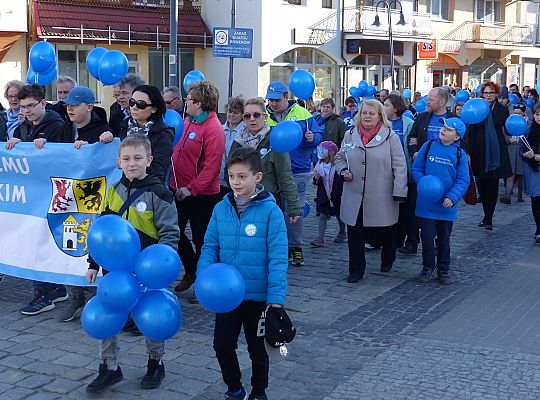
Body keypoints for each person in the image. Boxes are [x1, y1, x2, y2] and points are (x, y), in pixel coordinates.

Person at [85, 134, 179, 394]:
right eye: (126, 158)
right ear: (119, 161)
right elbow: (101, 232)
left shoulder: (160, 193)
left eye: (138, 158)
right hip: (114, 270)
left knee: (152, 316)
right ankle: (109, 367)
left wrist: (162, 266)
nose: (132, 163)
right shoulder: (113, 191)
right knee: (109, 312)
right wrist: (93, 262)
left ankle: (155, 362)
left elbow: (170, 234)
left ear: (149, 160)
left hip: (148, 271)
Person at [198, 146, 288, 400]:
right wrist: (205, 278)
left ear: (257, 177)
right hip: (227, 295)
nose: (235, 182)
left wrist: (276, 297)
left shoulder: (271, 211)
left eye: (241, 176)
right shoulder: (221, 208)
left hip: (258, 296)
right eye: (231, 176)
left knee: (257, 349)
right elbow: (209, 247)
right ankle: (234, 388)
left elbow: (278, 257)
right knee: (222, 344)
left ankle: (259, 391)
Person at [5, 84, 68, 314]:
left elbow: (64, 157)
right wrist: (15, 145)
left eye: (31, 105)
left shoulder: (57, 126)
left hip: (51, 194)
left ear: (43, 102)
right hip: (31, 196)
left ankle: (43, 295)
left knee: (41, 242)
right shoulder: (23, 127)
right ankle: (56, 289)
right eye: (23, 107)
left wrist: (45, 149)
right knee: (35, 241)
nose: (27, 111)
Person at [335, 99, 407, 283]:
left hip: (382, 195)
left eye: (371, 113)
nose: (367, 116)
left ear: (380, 116)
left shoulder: (390, 137)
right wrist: (343, 171)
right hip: (354, 193)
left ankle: (388, 258)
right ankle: (356, 269)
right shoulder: (350, 135)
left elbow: (400, 165)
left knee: (386, 232)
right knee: (354, 233)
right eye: (364, 113)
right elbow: (340, 157)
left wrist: (400, 190)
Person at [170, 80, 225, 295]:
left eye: (189, 99)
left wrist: (191, 189)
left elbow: (211, 167)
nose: (185, 102)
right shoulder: (187, 121)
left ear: (200, 103)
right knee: (174, 233)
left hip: (202, 195)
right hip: (178, 190)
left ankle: (203, 282)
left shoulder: (213, 128)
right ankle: (191, 270)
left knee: (202, 240)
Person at [266, 81, 324, 266]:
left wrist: (313, 138)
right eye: (270, 100)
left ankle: (296, 247)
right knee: (274, 211)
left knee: (294, 209)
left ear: (286, 97)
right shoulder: (263, 115)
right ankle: (280, 248)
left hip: (297, 169)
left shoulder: (303, 113)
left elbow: (319, 134)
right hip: (271, 171)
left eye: (276, 100)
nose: (273, 104)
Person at [412, 118, 470, 285]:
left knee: (444, 238)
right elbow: (417, 168)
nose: (443, 130)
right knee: (427, 235)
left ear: (457, 137)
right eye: (443, 127)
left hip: (446, 205)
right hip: (427, 202)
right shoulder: (428, 146)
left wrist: (452, 197)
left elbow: (463, 180)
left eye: (449, 129)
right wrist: (424, 183)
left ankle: (443, 270)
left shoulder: (460, 155)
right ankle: (427, 267)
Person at [228, 97, 301, 222]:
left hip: (267, 203)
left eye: (256, 115)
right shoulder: (238, 141)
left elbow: (285, 176)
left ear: (265, 116)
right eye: (247, 116)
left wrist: (294, 207)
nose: (252, 119)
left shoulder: (275, 140)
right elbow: (228, 171)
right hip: (241, 203)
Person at [405, 87, 455, 255]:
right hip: (422, 174)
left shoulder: (453, 119)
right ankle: (412, 242)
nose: (427, 101)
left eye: (431, 99)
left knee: (441, 214)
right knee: (415, 208)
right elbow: (412, 138)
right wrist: (414, 153)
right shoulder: (422, 117)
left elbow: (464, 147)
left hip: (444, 176)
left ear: (441, 102)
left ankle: (440, 245)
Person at [462, 81, 511, 231]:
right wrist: (467, 150)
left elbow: (505, 128)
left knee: (492, 184)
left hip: (495, 152)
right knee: (481, 184)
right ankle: (485, 214)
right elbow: (468, 128)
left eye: (491, 93)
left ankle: (489, 217)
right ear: (482, 94)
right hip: (478, 149)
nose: (488, 95)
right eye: (486, 93)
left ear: (496, 94)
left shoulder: (502, 110)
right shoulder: (475, 107)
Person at [119, 85, 173, 183]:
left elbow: (159, 171)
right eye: (132, 102)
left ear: (153, 108)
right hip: (124, 188)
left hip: (149, 190)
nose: (134, 107)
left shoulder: (163, 135)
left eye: (141, 104)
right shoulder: (122, 126)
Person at [383, 93, 416, 254]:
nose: (384, 107)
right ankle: (389, 239)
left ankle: (408, 240)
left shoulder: (408, 124)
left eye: (387, 105)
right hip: (384, 173)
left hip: (405, 172)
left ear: (396, 108)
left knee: (406, 209)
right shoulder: (382, 123)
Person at [311, 141, 346, 246]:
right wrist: (317, 179)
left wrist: (338, 193)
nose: (320, 152)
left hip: (336, 195)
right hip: (323, 195)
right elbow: (316, 180)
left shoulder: (336, 166)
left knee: (339, 214)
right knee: (323, 215)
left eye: (323, 150)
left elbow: (339, 181)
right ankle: (320, 238)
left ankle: (342, 231)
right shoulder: (319, 164)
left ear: (330, 152)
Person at [501, 103, 527, 204]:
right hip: (511, 151)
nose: (516, 115)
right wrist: (508, 140)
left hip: (521, 152)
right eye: (515, 113)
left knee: (521, 175)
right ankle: (508, 196)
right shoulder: (508, 123)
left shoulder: (527, 123)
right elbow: (503, 135)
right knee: (510, 174)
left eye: (519, 113)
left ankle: (520, 196)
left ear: (523, 114)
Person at [521, 103, 540, 243]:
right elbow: (522, 149)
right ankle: (539, 229)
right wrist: (526, 154)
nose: (539, 117)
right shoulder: (528, 130)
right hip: (533, 168)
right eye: (537, 114)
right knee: (535, 199)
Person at [220, 96, 245, 198]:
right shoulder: (219, 129)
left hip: (237, 181)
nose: (231, 115)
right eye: (229, 111)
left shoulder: (245, 131)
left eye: (235, 112)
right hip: (219, 180)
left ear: (242, 114)